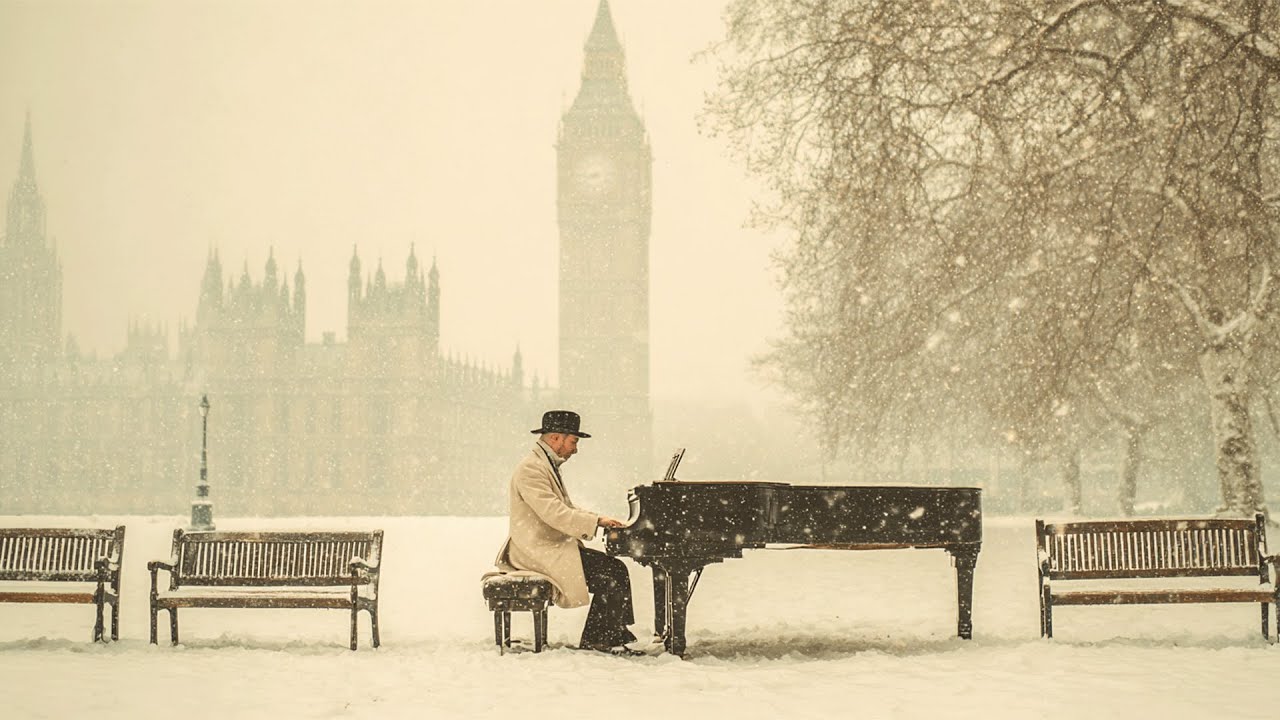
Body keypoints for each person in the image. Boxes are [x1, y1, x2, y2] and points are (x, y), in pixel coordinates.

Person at [493, 410, 643, 656]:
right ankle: (602, 638)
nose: (575, 449)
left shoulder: (543, 465)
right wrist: (596, 521)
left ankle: (608, 635)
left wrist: (600, 520)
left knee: (613, 570)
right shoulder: (532, 469)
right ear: (555, 438)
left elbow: (565, 508)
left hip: (546, 547)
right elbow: (553, 513)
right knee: (612, 572)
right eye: (573, 442)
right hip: (536, 551)